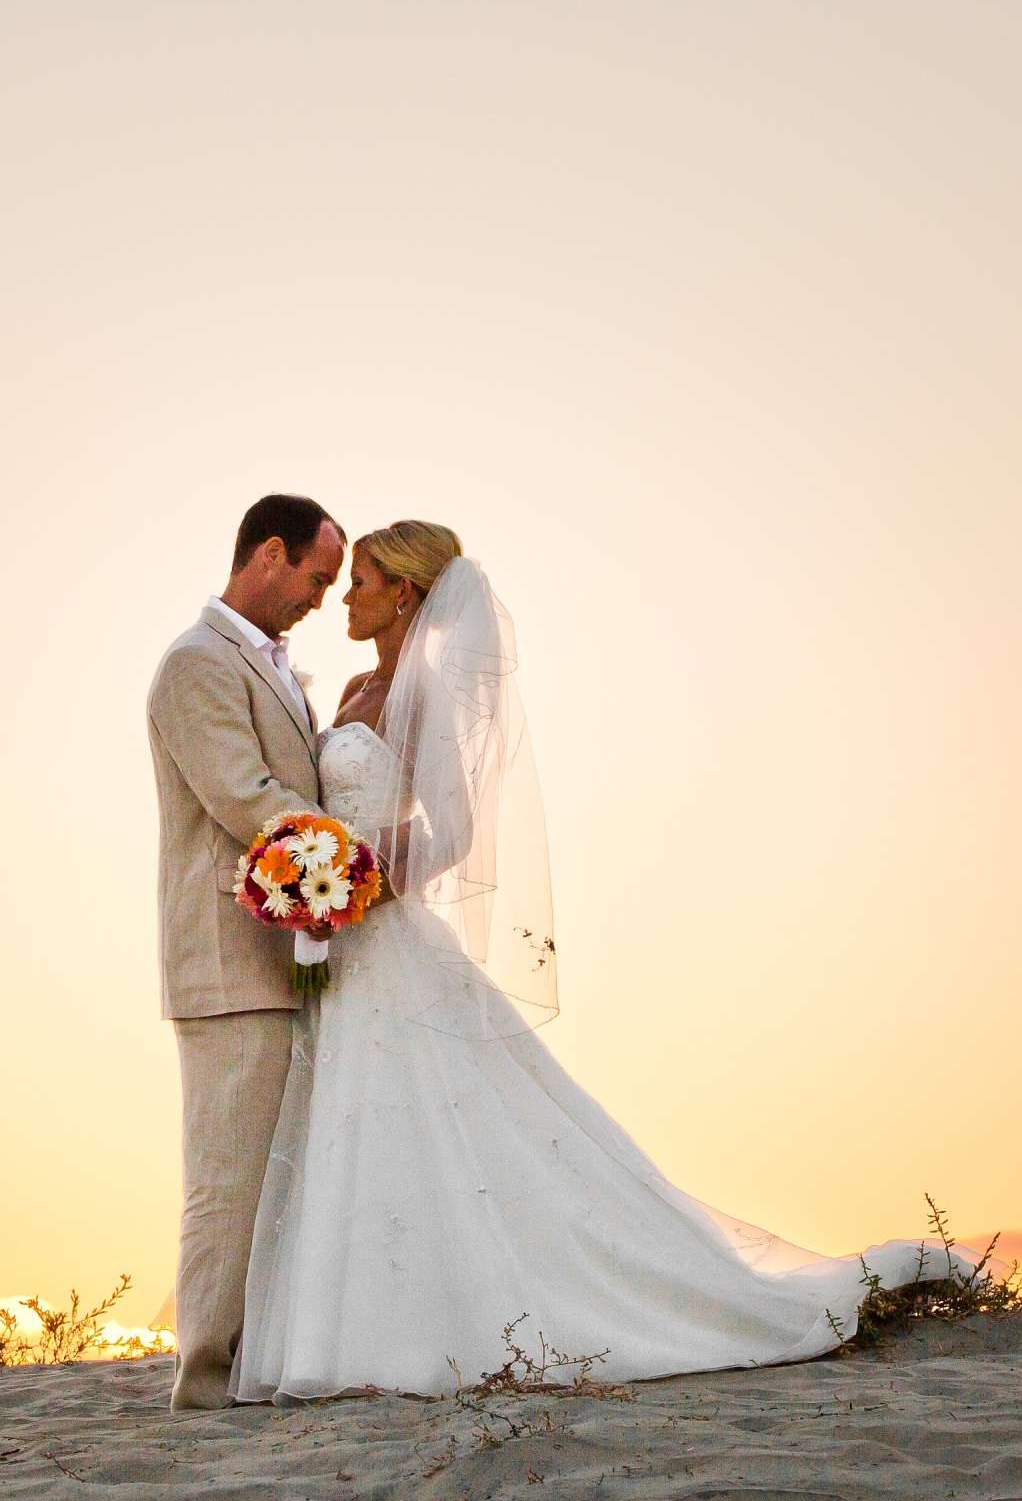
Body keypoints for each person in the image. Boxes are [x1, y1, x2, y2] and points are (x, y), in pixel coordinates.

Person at [230, 520, 974, 1403]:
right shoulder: (355, 685)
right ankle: (355, 1334)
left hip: (381, 936)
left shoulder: (427, 693)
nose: (345, 597)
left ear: (404, 593)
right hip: (338, 952)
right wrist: (315, 885)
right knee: (361, 1133)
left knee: (430, 1125)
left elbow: (456, 832)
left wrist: (355, 889)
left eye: (360, 582)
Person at [143, 492, 345, 1410]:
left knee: (273, 1173)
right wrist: (349, 859)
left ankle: (253, 1363)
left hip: (283, 953)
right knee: (226, 1180)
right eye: (316, 576)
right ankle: (205, 1384)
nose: (319, 597)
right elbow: (241, 792)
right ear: (270, 554)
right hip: (229, 964)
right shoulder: (196, 664)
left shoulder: (273, 666)